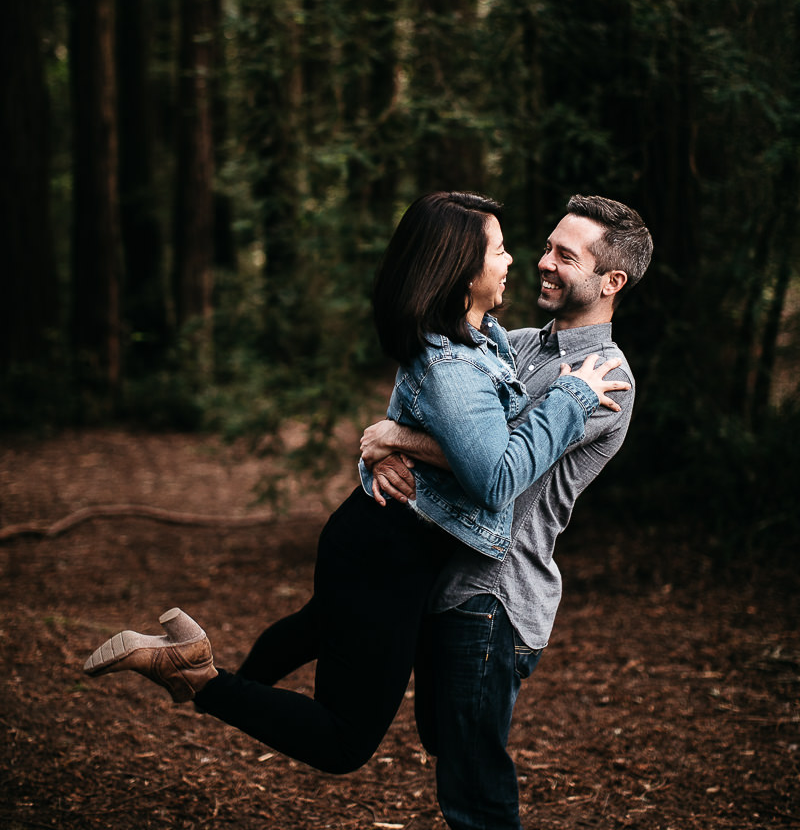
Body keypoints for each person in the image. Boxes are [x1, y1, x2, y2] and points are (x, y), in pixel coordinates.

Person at [83, 192, 628, 776]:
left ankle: (210, 677)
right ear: (462, 273)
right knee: (344, 742)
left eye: (558, 253)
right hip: (393, 550)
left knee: (320, 626)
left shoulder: (493, 341)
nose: (521, 260)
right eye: (501, 250)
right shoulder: (464, 360)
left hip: (390, 538)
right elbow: (494, 473)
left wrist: (394, 438)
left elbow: (464, 437)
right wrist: (569, 397)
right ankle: (200, 679)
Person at [359, 194, 653, 829]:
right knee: (450, 753)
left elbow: (497, 469)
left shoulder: (606, 380)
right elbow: (445, 413)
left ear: (611, 282)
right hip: (447, 583)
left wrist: (397, 438)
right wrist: (385, 448)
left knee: (476, 796)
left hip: (496, 596)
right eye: (547, 247)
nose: (542, 262)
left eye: (565, 256)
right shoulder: (510, 344)